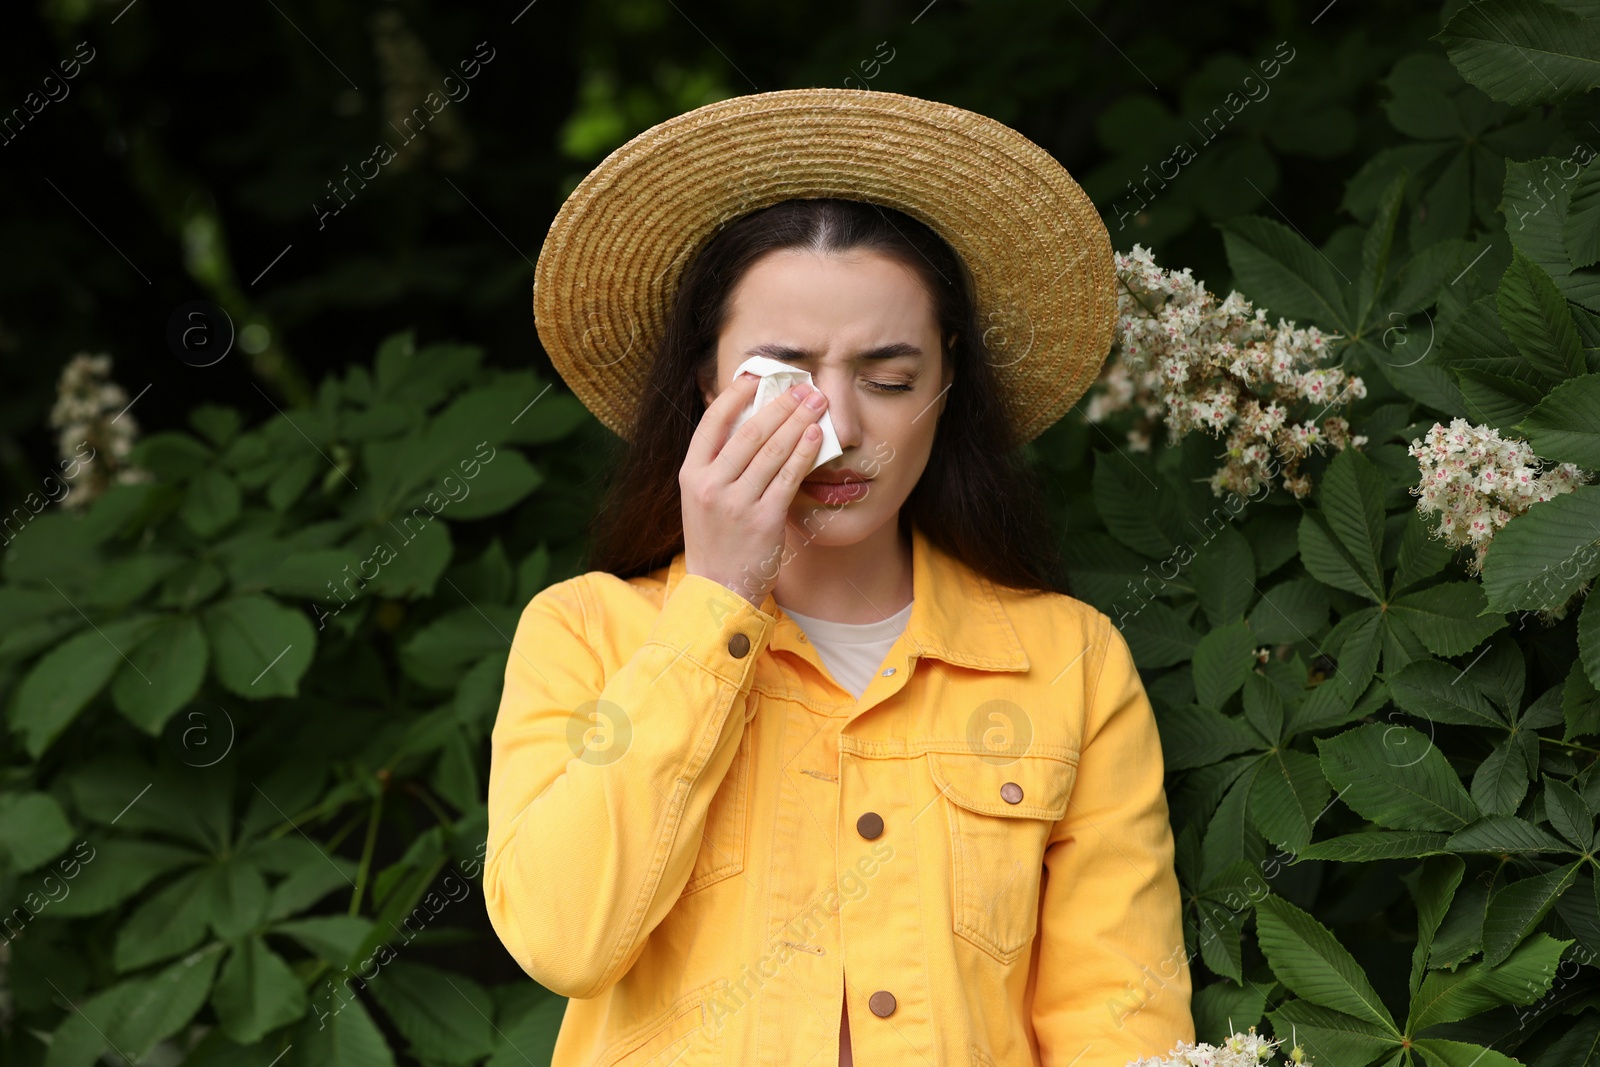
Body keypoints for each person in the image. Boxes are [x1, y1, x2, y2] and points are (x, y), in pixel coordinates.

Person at [485, 87, 1193, 1066]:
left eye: (889, 377)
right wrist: (719, 601)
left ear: (946, 386)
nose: (840, 427)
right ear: (703, 385)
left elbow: (1120, 1017)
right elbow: (563, 936)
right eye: (784, 374)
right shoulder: (586, 633)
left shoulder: (1066, 658)